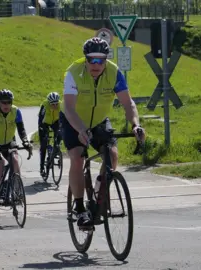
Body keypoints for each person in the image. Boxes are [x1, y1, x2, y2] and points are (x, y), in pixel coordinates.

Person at [60, 37, 146, 230]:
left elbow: (128, 103)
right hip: (73, 120)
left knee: (112, 155)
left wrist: (135, 125)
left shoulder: (114, 73)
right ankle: (80, 208)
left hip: (99, 120)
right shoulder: (73, 73)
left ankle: (99, 197)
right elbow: (70, 108)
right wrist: (81, 130)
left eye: (101, 60)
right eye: (92, 60)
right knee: (77, 157)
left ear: (106, 59)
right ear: (86, 59)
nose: (96, 64)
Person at [0, 89, 32, 205]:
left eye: (9, 102)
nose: (6, 105)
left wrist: (25, 141)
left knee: (15, 160)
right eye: (3, 102)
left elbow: (21, 129)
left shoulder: (16, 111)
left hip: (8, 141)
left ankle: (16, 190)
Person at [38, 91, 62, 177]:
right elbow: (40, 120)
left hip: (55, 122)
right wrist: (42, 129)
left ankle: (54, 153)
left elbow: (65, 117)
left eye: (56, 104)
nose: (55, 106)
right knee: (44, 143)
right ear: (49, 103)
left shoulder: (61, 105)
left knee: (60, 134)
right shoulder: (44, 106)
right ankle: (41, 167)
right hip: (45, 123)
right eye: (53, 104)